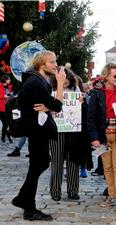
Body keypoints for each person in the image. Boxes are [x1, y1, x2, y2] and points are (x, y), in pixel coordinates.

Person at [11, 50, 66, 221]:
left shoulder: (39, 81)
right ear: (41, 64)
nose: (55, 65)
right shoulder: (35, 82)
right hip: (36, 129)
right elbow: (57, 105)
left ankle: (23, 199)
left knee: (40, 163)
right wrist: (60, 83)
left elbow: (48, 106)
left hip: (38, 128)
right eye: (51, 62)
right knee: (39, 164)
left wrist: (48, 106)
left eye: (55, 61)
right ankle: (28, 208)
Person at [87, 62, 116, 215]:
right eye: (115, 76)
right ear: (106, 76)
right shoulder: (96, 92)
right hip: (102, 136)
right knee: (107, 168)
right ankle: (111, 195)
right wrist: (93, 138)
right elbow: (91, 117)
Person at [49, 68, 83, 201]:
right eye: (64, 79)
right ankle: (55, 191)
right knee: (57, 161)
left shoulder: (76, 91)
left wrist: (81, 102)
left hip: (73, 130)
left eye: (68, 80)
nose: (66, 82)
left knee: (73, 161)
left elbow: (81, 106)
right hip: (56, 130)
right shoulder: (51, 91)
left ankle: (73, 191)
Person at [0, 75, 13, 143]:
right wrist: (3, 96)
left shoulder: (9, 86)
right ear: (5, 80)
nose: (10, 80)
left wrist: (10, 96)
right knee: (5, 123)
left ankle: (7, 136)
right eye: (9, 79)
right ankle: (3, 137)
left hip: (7, 108)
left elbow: (9, 95)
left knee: (7, 123)